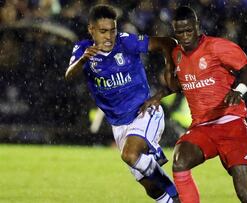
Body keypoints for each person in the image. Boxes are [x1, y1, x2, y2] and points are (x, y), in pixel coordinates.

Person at [143, 6, 247, 203]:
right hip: (203, 127)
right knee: (180, 161)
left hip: (231, 123)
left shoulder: (217, 47)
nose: (184, 36)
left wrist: (238, 90)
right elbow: (181, 84)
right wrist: (159, 95)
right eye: (179, 32)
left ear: (197, 26)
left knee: (246, 196)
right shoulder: (177, 54)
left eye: (188, 30)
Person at [65, 4, 179, 203]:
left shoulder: (126, 42)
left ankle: (177, 193)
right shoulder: (83, 50)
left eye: (112, 30)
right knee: (150, 187)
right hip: (119, 125)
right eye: (103, 31)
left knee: (130, 155)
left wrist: (170, 72)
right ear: (91, 30)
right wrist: (83, 60)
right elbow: (69, 75)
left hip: (145, 112)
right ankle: (172, 199)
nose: (109, 36)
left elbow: (168, 43)